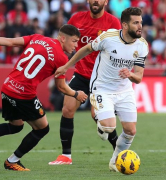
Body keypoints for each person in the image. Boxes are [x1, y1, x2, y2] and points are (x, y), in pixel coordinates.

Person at [0, 24, 88, 171]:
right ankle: (12, 161)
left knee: (16, 126)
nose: (76, 45)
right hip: (23, 94)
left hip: (8, 86)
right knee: (42, 128)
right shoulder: (61, 57)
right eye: (73, 41)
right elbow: (61, 87)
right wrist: (76, 94)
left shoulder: (37, 38)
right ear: (62, 38)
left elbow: (9, 42)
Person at [55, 7, 149, 172]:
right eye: (136, 23)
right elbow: (86, 49)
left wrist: (130, 75)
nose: (140, 26)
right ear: (125, 25)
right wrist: (67, 66)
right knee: (108, 126)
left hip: (125, 91)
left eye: (140, 22)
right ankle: (71, 151)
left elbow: (139, 77)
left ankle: (115, 160)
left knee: (130, 130)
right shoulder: (108, 37)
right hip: (102, 87)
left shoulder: (142, 45)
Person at [48, 0, 121, 165]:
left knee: (100, 118)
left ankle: (119, 152)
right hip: (81, 74)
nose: (96, 1)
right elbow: (64, 41)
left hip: (102, 77)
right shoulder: (77, 19)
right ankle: (66, 156)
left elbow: (119, 48)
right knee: (67, 109)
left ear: (106, 2)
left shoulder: (113, 22)